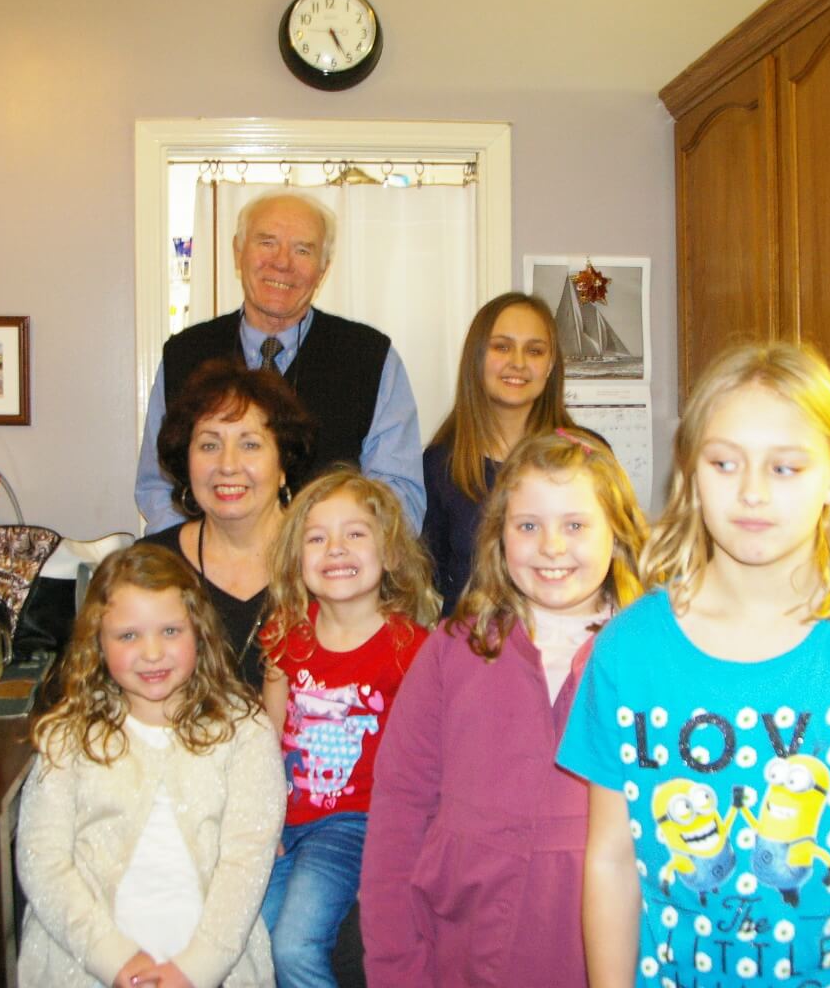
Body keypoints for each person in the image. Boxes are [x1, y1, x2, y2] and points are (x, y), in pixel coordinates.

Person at [557, 342, 830, 988]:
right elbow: (611, 862)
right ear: (691, 469)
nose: (751, 493)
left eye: (785, 469)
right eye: (724, 463)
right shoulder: (627, 650)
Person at [359, 429, 649, 987]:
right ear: (498, 538)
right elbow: (398, 821)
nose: (552, 547)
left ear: (617, 535)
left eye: (576, 525)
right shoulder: (451, 651)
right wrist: (397, 970)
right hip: (465, 954)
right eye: (529, 526)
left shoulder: (651, 658)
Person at [15, 543, 286, 988]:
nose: (153, 652)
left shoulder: (244, 732)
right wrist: (116, 962)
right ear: (97, 643)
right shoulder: (67, 736)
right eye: (128, 636)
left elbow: (246, 861)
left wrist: (195, 970)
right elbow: (42, 862)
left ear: (199, 631)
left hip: (213, 969)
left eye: (170, 631)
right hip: (85, 966)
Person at [136, 190, 425, 534]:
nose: (282, 262)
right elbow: (158, 487)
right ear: (237, 252)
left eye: (303, 249)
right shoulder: (183, 355)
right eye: (267, 242)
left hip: (326, 578)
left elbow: (398, 500)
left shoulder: (372, 359)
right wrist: (202, 558)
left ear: (323, 269)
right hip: (205, 578)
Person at [258, 468, 438, 988]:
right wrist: (262, 820)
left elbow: (426, 766)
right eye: (317, 538)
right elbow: (266, 742)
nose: (335, 548)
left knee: (294, 945)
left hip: (354, 826)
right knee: (254, 937)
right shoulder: (286, 636)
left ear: (391, 554)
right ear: (298, 557)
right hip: (285, 822)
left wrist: (397, 855)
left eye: (355, 533)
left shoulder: (411, 648)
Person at [139, 357, 315, 692]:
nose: (228, 465)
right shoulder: (150, 566)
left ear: (283, 465)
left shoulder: (327, 564)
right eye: (209, 445)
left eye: (249, 444)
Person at [422, 291, 576, 614]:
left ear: (550, 366)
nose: (518, 362)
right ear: (477, 357)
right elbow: (431, 576)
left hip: (560, 652)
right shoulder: (439, 464)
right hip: (467, 650)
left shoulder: (584, 457)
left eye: (534, 351)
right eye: (502, 347)